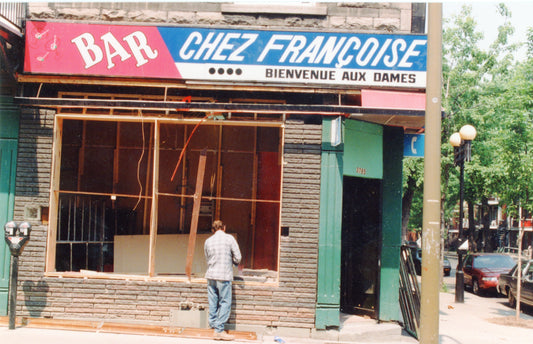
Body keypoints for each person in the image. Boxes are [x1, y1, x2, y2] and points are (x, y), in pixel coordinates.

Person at [204, 220, 241, 340]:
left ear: (213, 230)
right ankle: (219, 330)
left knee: (213, 301)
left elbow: (207, 257)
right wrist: (233, 263)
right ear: (224, 228)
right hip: (224, 275)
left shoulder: (208, 241)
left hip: (211, 275)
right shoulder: (229, 239)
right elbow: (238, 257)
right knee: (225, 302)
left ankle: (213, 326)